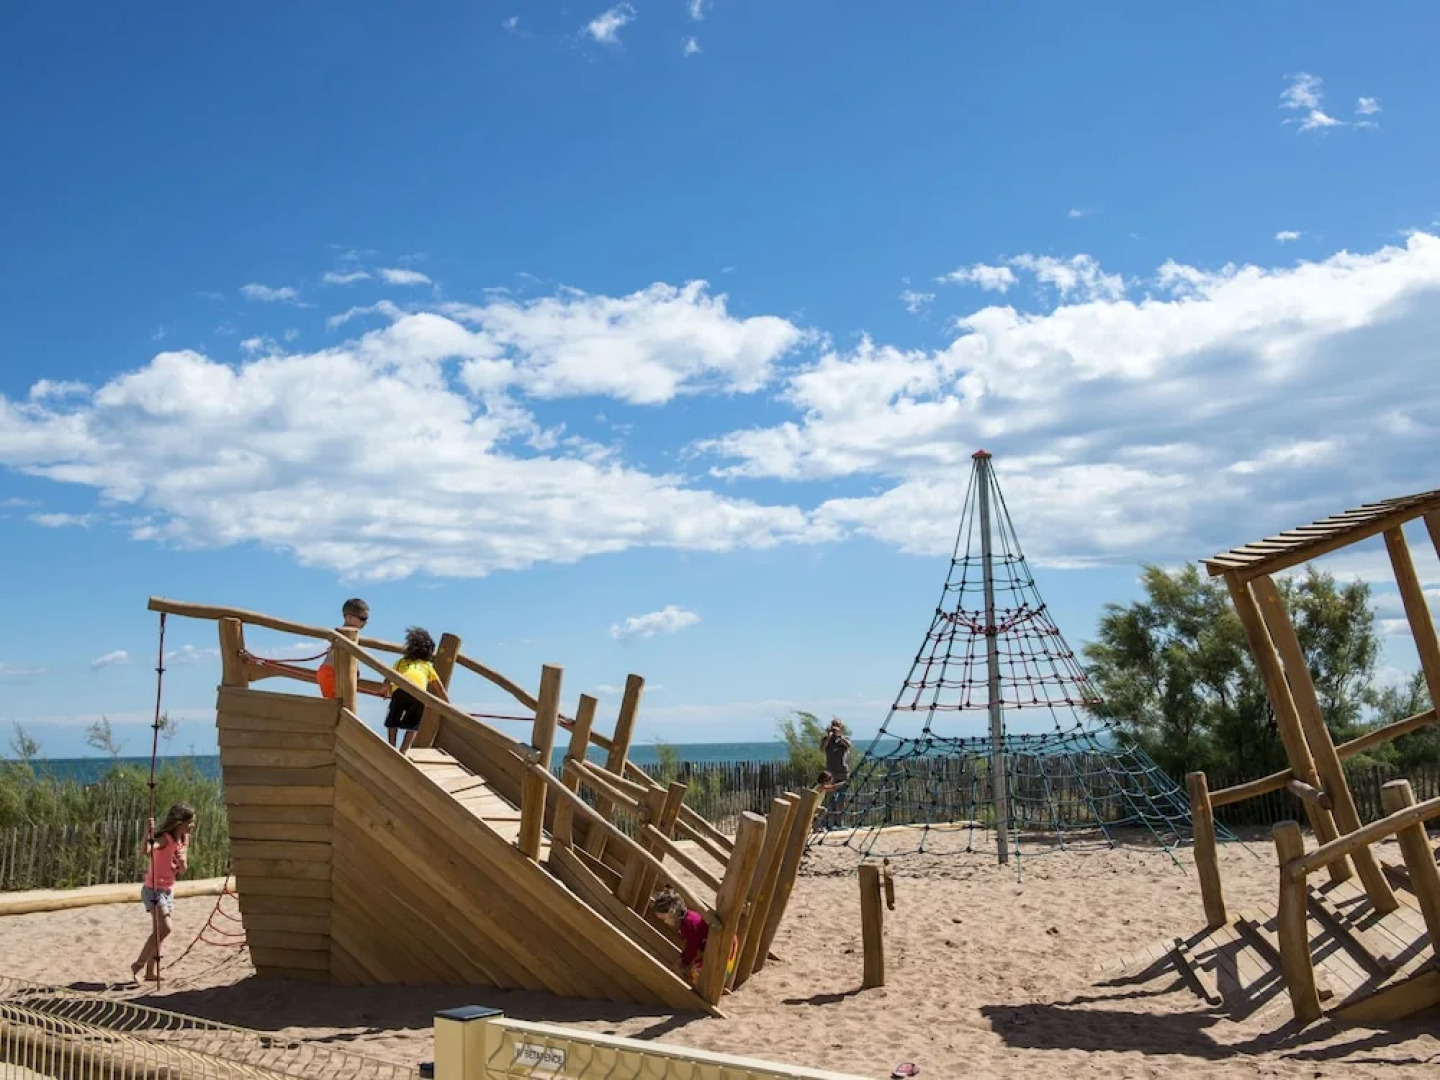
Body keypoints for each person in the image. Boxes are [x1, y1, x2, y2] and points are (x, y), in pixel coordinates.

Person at [130, 802, 196, 984]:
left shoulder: (184, 840)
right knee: (165, 928)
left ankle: (150, 972)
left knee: (158, 931)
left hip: (167, 890)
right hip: (153, 889)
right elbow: (146, 850)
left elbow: (182, 870)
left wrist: (182, 861)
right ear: (179, 822)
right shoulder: (165, 839)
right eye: (190, 822)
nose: (193, 826)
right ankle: (138, 964)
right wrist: (147, 833)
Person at [650, 887, 735, 988]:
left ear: (672, 912)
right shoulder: (686, 920)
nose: (665, 922)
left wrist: (683, 962)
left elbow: (692, 947)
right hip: (723, 943)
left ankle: (708, 990)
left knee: (699, 972)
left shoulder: (688, 923)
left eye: (664, 918)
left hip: (725, 944)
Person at [384, 626, 450, 753]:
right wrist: (447, 705)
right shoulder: (427, 666)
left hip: (400, 690)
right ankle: (404, 750)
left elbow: (388, 676)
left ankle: (391, 745)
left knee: (393, 719)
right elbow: (439, 689)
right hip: (418, 694)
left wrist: (385, 688)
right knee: (413, 725)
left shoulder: (400, 662)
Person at [317, 598, 369, 699]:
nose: (365, 622)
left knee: (339, 708)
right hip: (332, 673)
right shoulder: (344, 634)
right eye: (362, 619)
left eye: (366, 619)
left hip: (334, 673)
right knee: (339, 707)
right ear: (348, 617)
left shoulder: (349, 635)